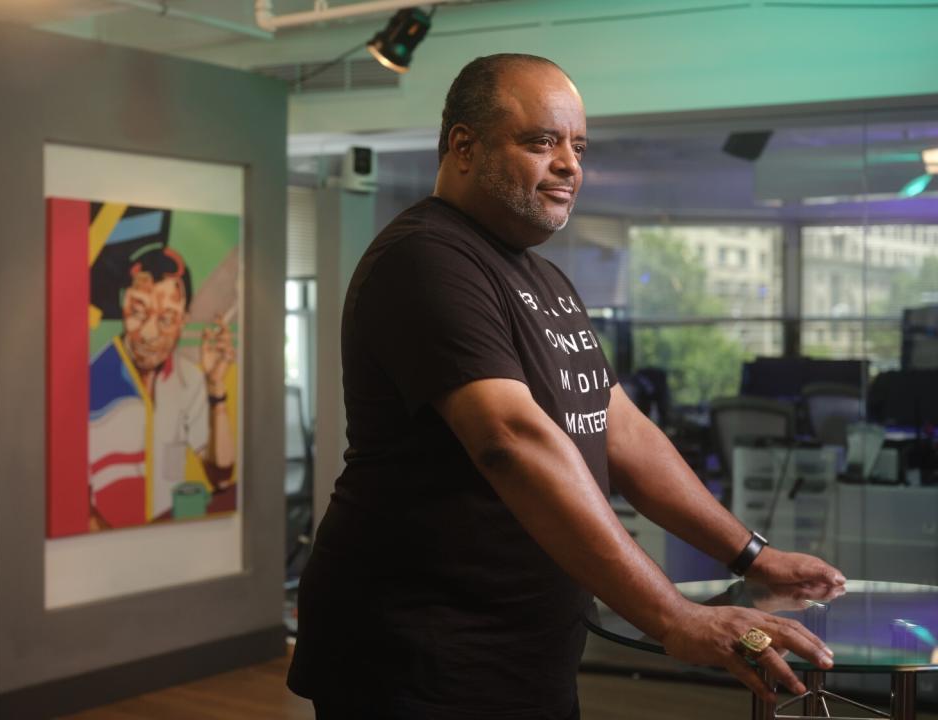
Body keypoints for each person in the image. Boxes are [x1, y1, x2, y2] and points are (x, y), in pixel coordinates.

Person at [288, 54, 845, 719]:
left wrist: (751, 555)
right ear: (464, 147)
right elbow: (509, 438)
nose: (569, 163)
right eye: (540, 141)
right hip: (419, 655)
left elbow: (623, 430)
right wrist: (672, 616)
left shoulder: (541, 279)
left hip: (527, 650)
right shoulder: (425, 257)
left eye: (577, 146)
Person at [88, 244, 236, 529]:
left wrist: (216, 389)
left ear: (184, 320)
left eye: (166, 319)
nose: (149, 333)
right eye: (138, 312)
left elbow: (221, 475)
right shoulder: (90, 381)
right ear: (122, 305)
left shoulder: (189, 379)